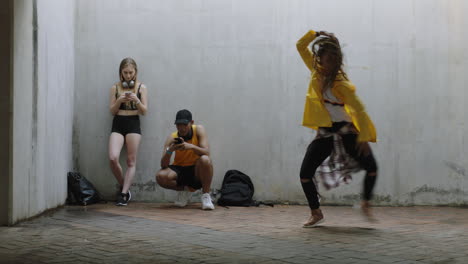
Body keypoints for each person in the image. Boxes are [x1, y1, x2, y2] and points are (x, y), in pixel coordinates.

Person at [296, 30, 378, 227]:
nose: (332, 63)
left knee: (372, 168)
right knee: (305, 174)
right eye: (328, 58)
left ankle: (366, 202)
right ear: (320, 59)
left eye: (335, 59)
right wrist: (315, 33)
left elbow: (359, 109)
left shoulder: (342, 84)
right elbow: (300, 46)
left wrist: (364, 137)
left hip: (347, 132)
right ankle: (316, 212)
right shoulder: (316, 71)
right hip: (325, 133)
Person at [155, 109, 215, 210]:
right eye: (178, 125)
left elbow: (207, 153)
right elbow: (163, 165)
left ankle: (206, 196)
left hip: (196, 170)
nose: (181, 128)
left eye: (184, 124)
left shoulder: (199, 130)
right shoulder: (172, 137)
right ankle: (185, 191)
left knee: (205, 160)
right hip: (180, 170)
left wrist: (191, 146)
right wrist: (171, 150)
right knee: (160, 176)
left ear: (191, 123)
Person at [109, 57, 148, 206]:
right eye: (125, 73)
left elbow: (144, 111)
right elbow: (112, 111)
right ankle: (123, 185)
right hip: (118, 123)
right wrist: (119, 101)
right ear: (120, 73)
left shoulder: (141, 88)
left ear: (135, 72)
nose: (128, 76)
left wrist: (137, 101)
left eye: (131, 72)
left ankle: (124, 194)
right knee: (113, 158)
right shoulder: (115, 88)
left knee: (131, 160)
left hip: (133, 123)